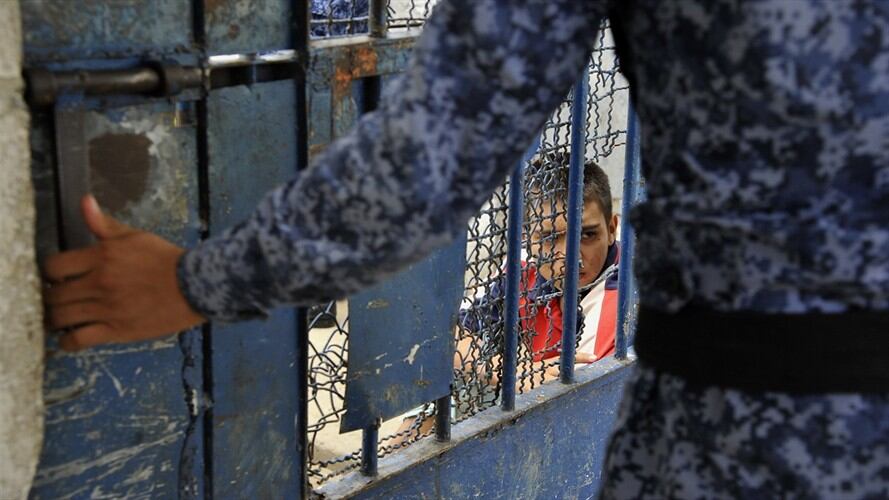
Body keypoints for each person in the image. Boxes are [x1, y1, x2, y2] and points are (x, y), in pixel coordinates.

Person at [43, 1, 889, 497]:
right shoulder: (519, 290)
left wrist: (198, 281)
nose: (563, 248)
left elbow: (431, 155)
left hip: (763, 430)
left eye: (580, 234)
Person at [394, 153, 621, 442]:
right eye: (550, 238)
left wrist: (519, 378)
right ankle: (393, 461)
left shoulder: (618, 295)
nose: (569, 255)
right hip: (530, 386)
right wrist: (507, 370)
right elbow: (442, 331)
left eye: (587, 235)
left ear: (612, 228)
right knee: (439, 382)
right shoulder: (524, 266)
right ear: (527, 237)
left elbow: (572, 406)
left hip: (591, 431)